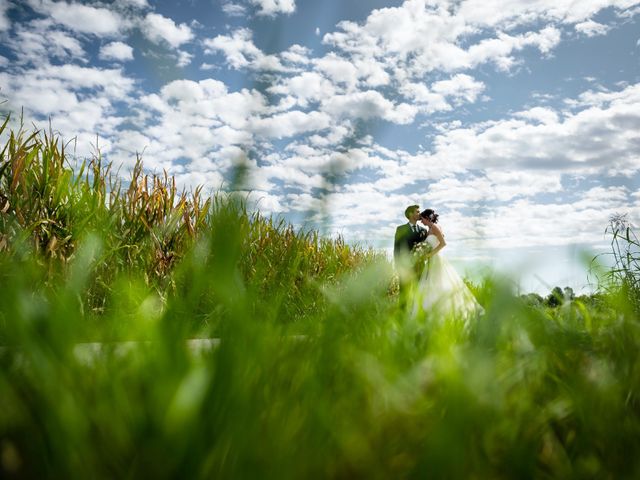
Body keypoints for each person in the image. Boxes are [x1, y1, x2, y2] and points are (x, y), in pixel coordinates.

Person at [413, 208, 484, 323]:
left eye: (422, 219)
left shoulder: (435, 227)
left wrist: (430, 254)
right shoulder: (430, 229)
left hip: (436, 259)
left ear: (427, 218)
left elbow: (443, 244)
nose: (421, 222)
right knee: (430, 285)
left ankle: (441, 313)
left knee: (439, 284)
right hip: (431, 260)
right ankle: (429, 312)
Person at [394, 204, 428, 307]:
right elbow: (396, 249)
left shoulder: (423, 231)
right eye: (417, 212)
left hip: (420, 267)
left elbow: (426, 248)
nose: (419, 214)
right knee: (404, 294)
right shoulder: (401, 229)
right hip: (405, 268)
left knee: (419, 293)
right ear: (410, 214)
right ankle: (401, 317)